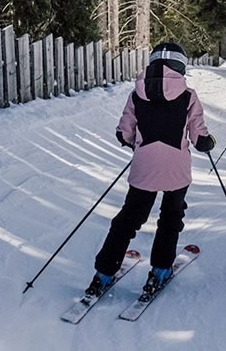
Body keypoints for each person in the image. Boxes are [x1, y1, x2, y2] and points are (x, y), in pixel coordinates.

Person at [88, 41, 215, 298]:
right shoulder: (188, 95)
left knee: (129, 219)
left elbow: (124, 134)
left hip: (144, 167)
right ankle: (159, 271)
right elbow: (199, 137)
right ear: (180, 65)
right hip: (176, 169)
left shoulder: (136, 94)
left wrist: (138, 142)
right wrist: (208, 142)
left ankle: (103, 273)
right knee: (170, 217)